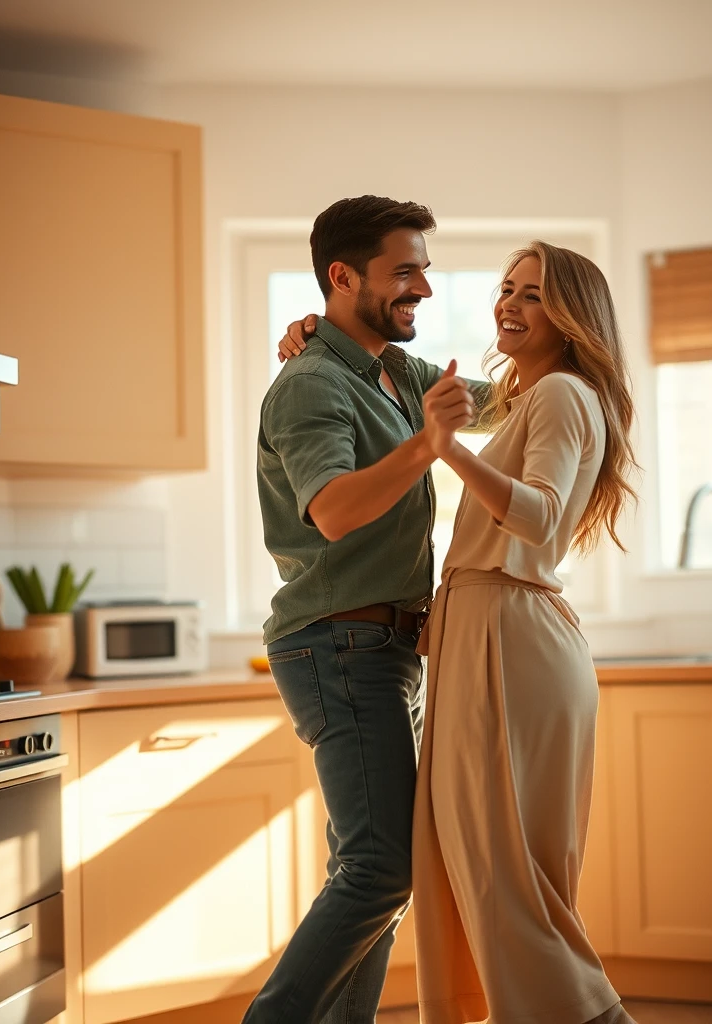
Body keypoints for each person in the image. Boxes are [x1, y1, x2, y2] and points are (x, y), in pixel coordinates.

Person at [245, 194, 483, 1024]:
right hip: (338, 646)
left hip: (378, 649)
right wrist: (428, 445)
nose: (424, 285)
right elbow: (336, 509)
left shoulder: (390, 369)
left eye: (425, 267)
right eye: (405, 270)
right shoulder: (311, 383)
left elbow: (502, 402)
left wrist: (559, 351)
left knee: (373, 869)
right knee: (384, 869)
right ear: (343, 276)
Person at [412, 241, 639, 1023]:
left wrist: (447, 453)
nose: (508, 303)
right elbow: (407, 380)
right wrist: (316, 332)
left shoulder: (562, 395)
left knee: (503, 873)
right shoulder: (533, 394)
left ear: (571, 314)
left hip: (508, 638)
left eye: (532, 295)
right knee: (497, 868)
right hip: (496, 633)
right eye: (505, 289)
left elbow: (538, 515)